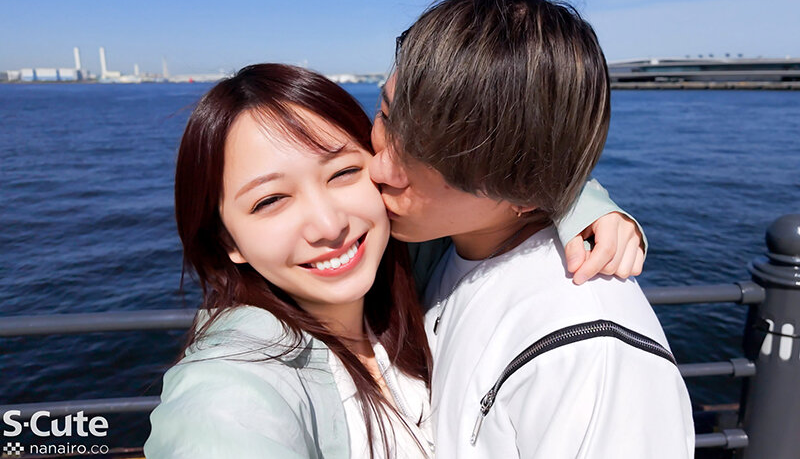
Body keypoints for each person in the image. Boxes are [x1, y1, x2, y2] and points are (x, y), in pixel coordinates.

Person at [144, 62, 647, 458]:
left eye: (343, 173)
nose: (328, 225)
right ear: (227, 241)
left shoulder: (408, 269)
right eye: (270, 201)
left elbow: (480, 185)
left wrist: (573, 197)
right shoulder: (233, 383)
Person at [369, 0, 695, 458]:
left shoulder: (588, 351)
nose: (379, 168)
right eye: (385, 116)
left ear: (524, 190)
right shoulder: (443, 242)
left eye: (426, 157)